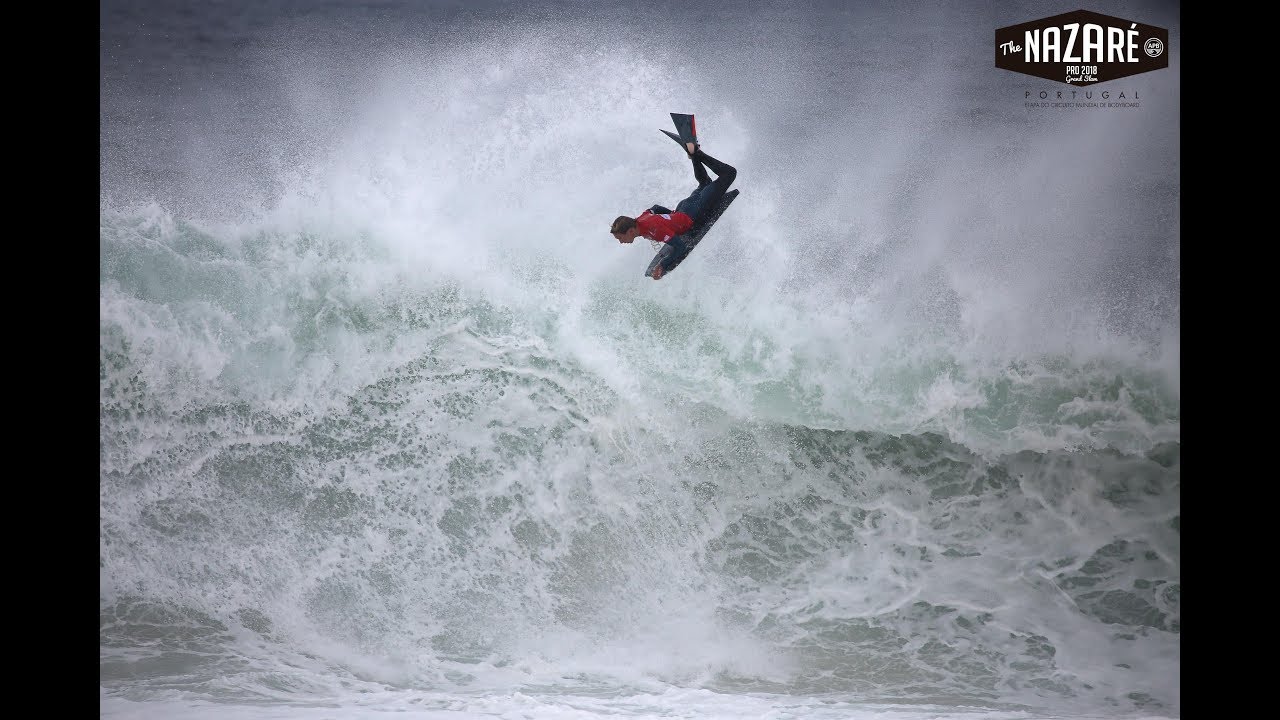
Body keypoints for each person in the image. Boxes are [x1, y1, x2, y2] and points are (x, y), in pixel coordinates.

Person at [611, 141, 737, 279]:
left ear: (630, 231)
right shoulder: (641, 219)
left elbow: (680, 247)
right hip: (683, 208)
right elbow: (655, 208)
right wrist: (672, 216)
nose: (620, 242)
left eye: (620, 238)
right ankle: (693, 154)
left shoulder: (654, 229)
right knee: (704, 183)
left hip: (695, 213)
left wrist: (663, 265)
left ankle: (697, 153)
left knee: (729, 173)